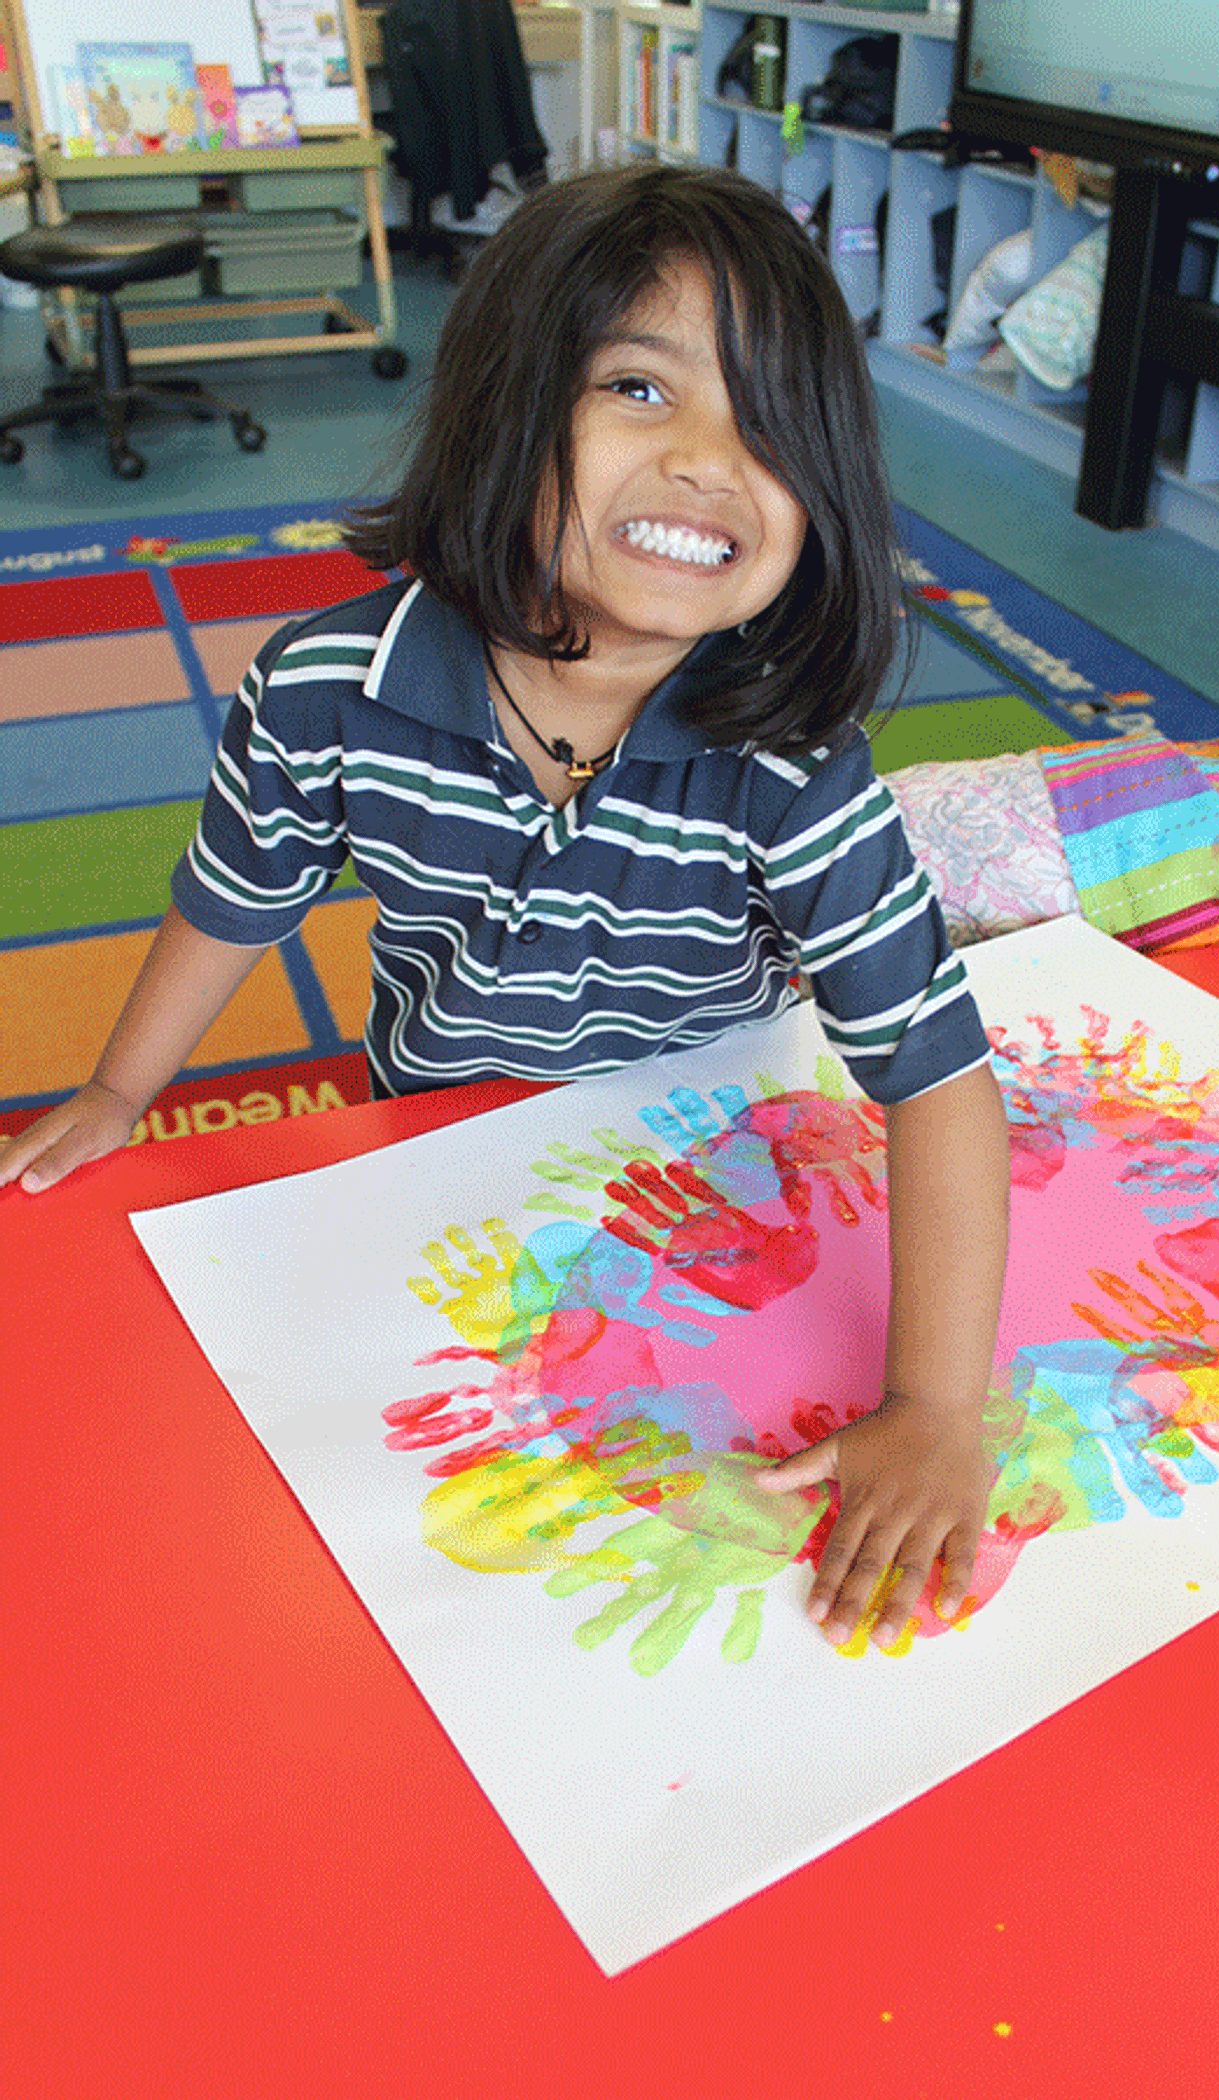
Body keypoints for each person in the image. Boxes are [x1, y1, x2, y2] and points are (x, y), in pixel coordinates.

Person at [1, 163, 1009, 1652]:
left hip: (711, 1167)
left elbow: (935, 1072)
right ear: (503, 406)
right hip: (436, 1133)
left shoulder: (795, 766)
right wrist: (116, 1090)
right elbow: (235, 895)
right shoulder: (327, 687)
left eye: (772, 426)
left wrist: (934, 1404)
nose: (711, 462)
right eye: (639, 388)